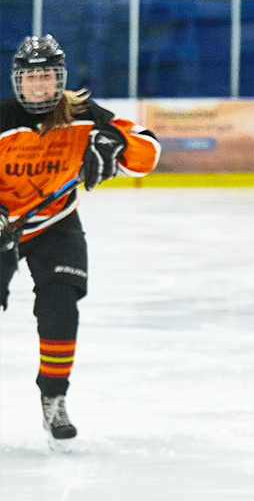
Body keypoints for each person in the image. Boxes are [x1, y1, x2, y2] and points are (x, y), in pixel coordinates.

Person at [1, 35, 160, 449]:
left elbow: (148, 152)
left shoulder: (83, 115)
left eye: (47, 76)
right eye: (31, 77)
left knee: (60, 304)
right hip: (4, 225)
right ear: (18, 80)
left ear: (60, 79)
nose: (40, 85)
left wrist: (114, 143)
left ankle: (53, 397)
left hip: (55, 222)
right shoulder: (2, 120)